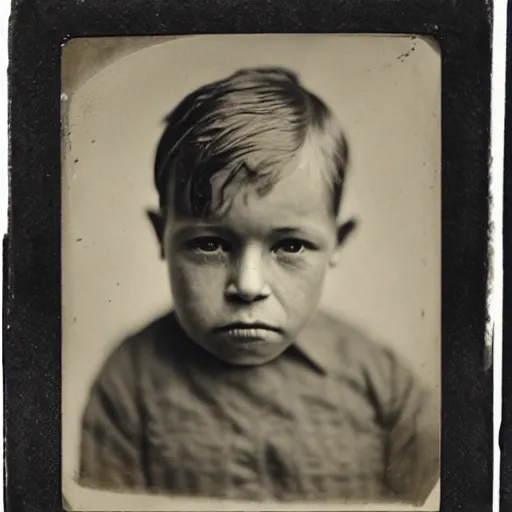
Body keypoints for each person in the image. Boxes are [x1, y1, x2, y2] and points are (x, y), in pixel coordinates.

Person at [78, 67, 439, 505]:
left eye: (290, 245)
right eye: (210, 244)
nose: (248, 286)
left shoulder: (381, 382)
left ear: (335, 243)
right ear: (163, 236)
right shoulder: (129, 383)